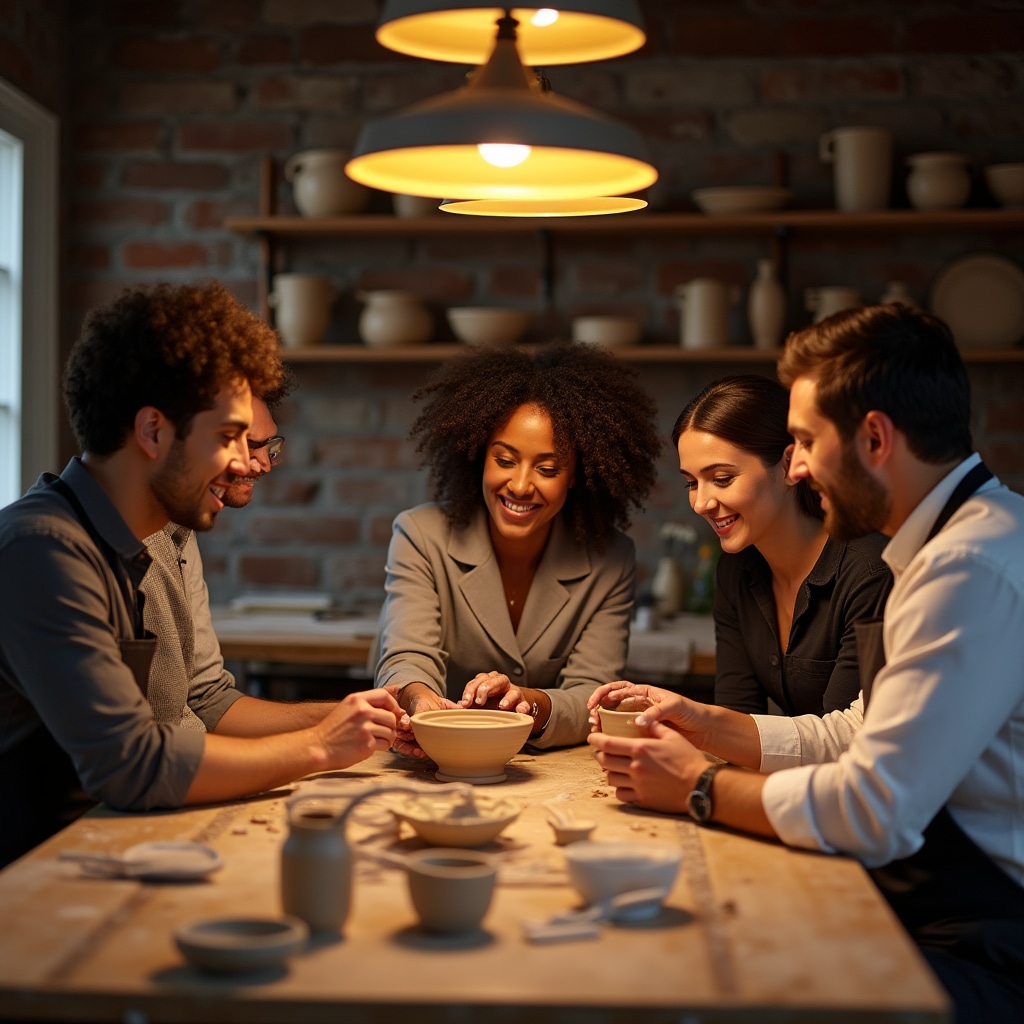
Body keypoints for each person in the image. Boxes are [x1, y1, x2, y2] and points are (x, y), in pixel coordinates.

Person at [587, 304, 1024, 1021]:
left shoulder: (968, 568)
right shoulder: (952, 543)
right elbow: (858, 729)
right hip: (939, 910)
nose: (795, 464)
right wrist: (708, 723)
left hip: (985, 943)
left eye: (804, 440)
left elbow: (873, 809)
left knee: (718, 987)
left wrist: (700, 788)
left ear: (875, 438)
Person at [0, 281, 402, 867]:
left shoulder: (158, 530)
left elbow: (202, 704)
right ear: (153, 432)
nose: (249, 463)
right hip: (46, 872)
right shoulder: (43, 551)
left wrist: (352, 719)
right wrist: (318, 745)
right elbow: (133, 765)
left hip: (130, 839)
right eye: (228, 437)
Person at [373, 341, 662, 752]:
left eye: (547, 468)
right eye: (505, 460)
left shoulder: (610, 559)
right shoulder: (421, 535)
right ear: (479, 457)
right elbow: (407, 654)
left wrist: (528, 702)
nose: (522, 485)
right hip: (427, 756)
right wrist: (420, 703)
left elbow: (593, 695)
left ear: (577, 474)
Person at [673, 374, 892, 716]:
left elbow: (844, 741)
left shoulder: (867, 571)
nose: (701, 503)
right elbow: (738, 715)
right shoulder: (736, 569)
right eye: (691, 482)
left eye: (721, 479)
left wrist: (703, 759)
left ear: (790, 465)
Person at [142, 378, 295, 731]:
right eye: (236, 441)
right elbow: (145, 756)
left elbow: (207, 697)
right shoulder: (56, 548)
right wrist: (319, 745)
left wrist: (342, 717)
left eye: (267, 446)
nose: (257, 464)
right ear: (154, 433)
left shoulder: (177, 529)